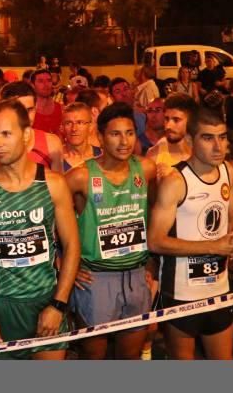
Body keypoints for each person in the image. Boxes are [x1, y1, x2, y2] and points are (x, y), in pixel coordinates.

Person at [0, 98, 80, 359]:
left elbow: (73, 246)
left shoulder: (53, 183)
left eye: (6, 134)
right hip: (0, 306)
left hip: (46, 300)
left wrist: (58, 304)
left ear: (27, 135)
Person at [148, 106, 233, 360]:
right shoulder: (175, 181)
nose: (218, 146)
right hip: (182, 294)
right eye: (208, 138)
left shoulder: (228, 171)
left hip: (219, 288)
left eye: (222, 137)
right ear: (191, 140)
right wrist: (213, 247)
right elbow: (155, 241)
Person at [65, 102, 157, 359]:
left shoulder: (146, 169)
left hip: (137, 276)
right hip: (96, 279)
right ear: (101, 137)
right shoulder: (80, 177)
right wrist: (63, 264)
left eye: (129, 133)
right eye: (115, 134)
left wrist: (151, 263)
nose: (124, 141)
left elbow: (155, 214)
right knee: (95, 359)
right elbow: (50, 221)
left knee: (130, 357)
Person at [1, 82, 63, 172]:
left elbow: (59, 184)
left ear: (36, 106)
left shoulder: (52, 144)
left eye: (30, 109)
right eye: (20, 111)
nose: (26, 117)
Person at [146, 93, 197, 179]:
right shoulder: (155, 153)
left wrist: (174, 176)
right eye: (166, 119)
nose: (168, 126)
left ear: (190, 122)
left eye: (176, 120)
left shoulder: (202, 153)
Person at [60, 102, 102, 171]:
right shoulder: (54, 159)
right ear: (62, 127)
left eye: (80, 123)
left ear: (91, 126)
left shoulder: (102, 155)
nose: (74, 129)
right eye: (68, 123)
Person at [31, 70, 63, 135]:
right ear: (32, 85)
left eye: (49, 80)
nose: (46, 84)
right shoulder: (27, 110)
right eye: (41, 81)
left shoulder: (60, 108)